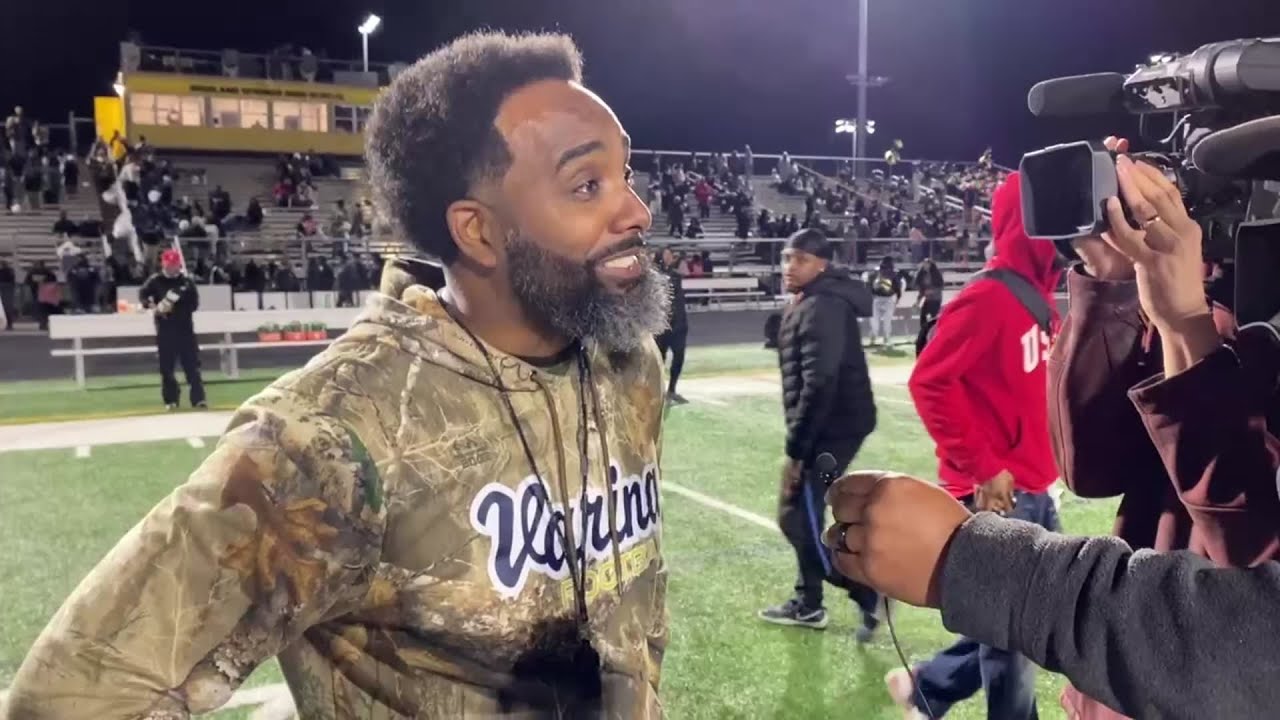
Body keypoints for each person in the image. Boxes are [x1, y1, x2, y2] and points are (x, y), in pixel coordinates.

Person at [2, 31, 672, 719]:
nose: (636, 212)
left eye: (627, 176)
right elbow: (64, 700)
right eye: (588, 185)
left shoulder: (627, 361)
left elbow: (636, 611)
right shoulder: (334, 438)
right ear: (477, 231)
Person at [1047, 140, 1280, 719]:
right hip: (1139, 658)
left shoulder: (1207, 321)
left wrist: (1187, 330)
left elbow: (1259, 578)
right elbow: (1090, 467)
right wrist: (1113, 281)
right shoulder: (1218, 312)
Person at [821, 469, 1280, 720]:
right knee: (1006, 632)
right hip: (1145, 655)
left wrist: (972, 559)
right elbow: (1093, 454)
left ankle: (927, 684)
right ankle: (928, 684)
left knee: (1007, 633)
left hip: (1161, 650)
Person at [893, 172, 1062, 720]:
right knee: (1013, 643)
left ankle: (930, 687)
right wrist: (985, 468)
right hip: (997, 493)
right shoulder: (988, 298)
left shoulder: (1040, 298)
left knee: (1023, 623)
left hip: (1031, 488)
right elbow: (929, 382)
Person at [758, 228, 881, 641]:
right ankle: (808, 603)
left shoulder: (821, 307)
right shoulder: (813, 301)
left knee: (798, 521)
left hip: (832, 428)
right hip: (833, 425)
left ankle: (867, 593)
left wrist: (798, 452)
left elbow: (819, 384)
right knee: (803, 515)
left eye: (801, 260)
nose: (790, 267)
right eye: (787, 258)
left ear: (822, 265)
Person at [138, 249, 206, 411]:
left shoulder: (187, 282)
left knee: (192, 367)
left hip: (185, 329)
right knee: (166, 368)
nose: (171, 267)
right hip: (165, 330)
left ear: (178, 264)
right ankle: (171, 400)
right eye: (168, 264)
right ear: (163, 263)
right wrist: (153, 306)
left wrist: (178, 305)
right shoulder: (155, 281)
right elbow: (143, 295)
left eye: (174, 264)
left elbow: (195, 304)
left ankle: (198, 399)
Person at [655, 247, 689, 404]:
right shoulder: (655, 276)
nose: (670, 257)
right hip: (662, 325)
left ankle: (672, 390)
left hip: (679, 324)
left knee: (679, 357)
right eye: (667, 254)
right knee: (659, 359)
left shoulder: (675, 275)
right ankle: (658, 391)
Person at [865, 256, 902, 347]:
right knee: (875, 324)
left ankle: (886, 338)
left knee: (887, 322)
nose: (885, 271)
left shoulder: (894, 276)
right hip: (877, 299)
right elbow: (868, 287)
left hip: (888, 299)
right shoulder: (875, 275)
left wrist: (897, 300)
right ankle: (873, 337)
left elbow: (897, 290)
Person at [913, 257, 944, 356]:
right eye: (924, 264)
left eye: (927, 264)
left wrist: (931, 291)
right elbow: (922, 291)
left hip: (935, 299)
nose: (925, 266)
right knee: (923, 316)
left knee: (934, 318)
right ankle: (923, 336)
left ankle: (936, 336)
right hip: (928, 299)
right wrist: (917, 302)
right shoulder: (922, 275)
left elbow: (940, 287)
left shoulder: (936, 275)